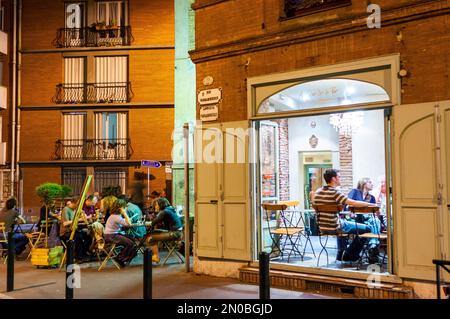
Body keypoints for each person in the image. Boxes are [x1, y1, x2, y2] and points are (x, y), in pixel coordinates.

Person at [313, 169, 380, 263]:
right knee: (368, 228)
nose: (340, 179)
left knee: (355, 225)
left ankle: (348, 253)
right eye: (339, 177)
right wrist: (373, 205)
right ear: (333, 179)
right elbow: (352, 202)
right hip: (335, 226)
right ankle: (350, 254)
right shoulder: (335, 192)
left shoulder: (318, 191)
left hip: (322, 227)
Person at [147, 197, 183, 263]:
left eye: (157, 204)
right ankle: (156, 256)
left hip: (174, 234)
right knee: (154, 232)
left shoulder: (165, 211)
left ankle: (156, 257)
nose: (156, 206)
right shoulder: (170, 209)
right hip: (178, 232)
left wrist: (154, 214)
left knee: (151, 238)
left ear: (161, 204)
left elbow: (154, 222)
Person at [104, 200, 137, 267]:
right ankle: (119, 258)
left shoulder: (114, 216)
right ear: (121, 208)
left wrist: (126, 219)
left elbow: (124, 223)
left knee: (131, 239)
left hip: (111, 235)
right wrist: (124, 213)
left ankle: (123, 257)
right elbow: (129, 224)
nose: (126, 208)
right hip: (111, 236)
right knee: (130, 243)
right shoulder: (116, 217)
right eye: (124, 207)